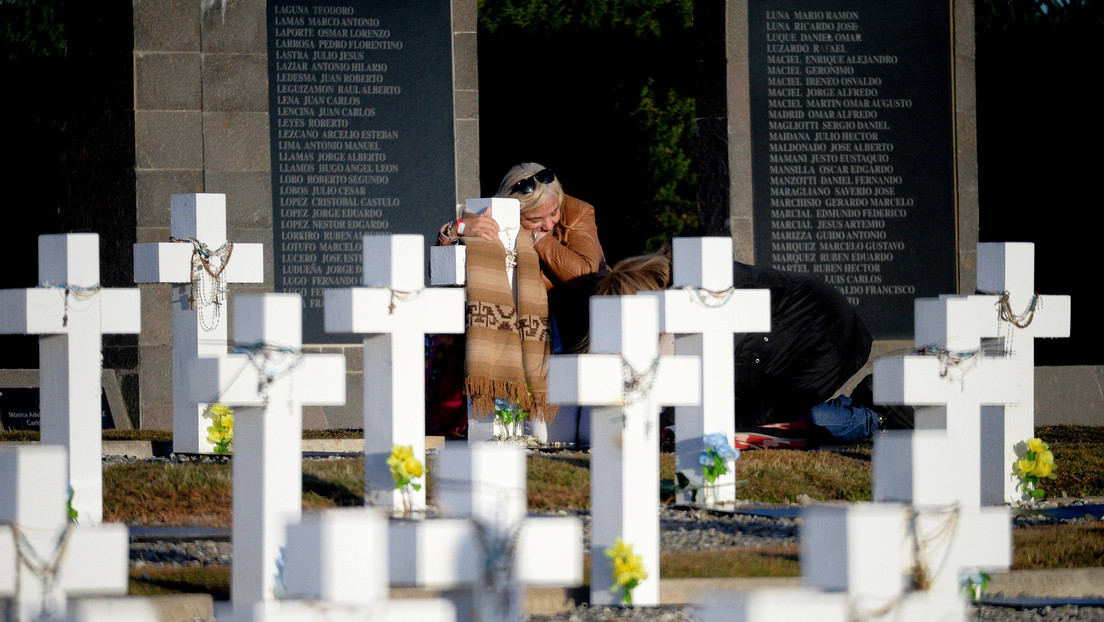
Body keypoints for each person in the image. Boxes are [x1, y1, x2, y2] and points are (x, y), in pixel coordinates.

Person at [592, 247, 913, 449]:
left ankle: (873, 416)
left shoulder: (700, 295)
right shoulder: (682, 286)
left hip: (819, 337)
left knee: (761, 427)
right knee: (741, 422)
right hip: (793, 334)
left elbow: (706, 386)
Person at [426, 163, 608, 442]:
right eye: (535, 219)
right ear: (515, 212)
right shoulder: (493, 220)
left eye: (554, 212)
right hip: (508, 333)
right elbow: (447, 275)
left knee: (555, 434)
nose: (549, 224)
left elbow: (585, 274)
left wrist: (540, 240)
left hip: (569, 329)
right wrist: (456, 229)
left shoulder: (578, 213)